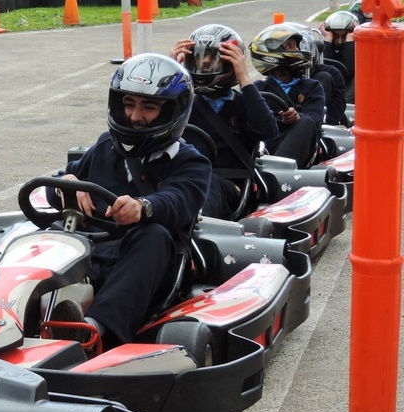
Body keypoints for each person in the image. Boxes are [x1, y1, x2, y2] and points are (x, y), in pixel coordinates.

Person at [46, 53, 210, 348]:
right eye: (129, 104)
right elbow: (57, 187)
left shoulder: (191, 163)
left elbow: (178, 200)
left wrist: (143, 207)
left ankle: (94, 330)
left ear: (173, 111)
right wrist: (66, 185)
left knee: (155, 235)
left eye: (149, 107)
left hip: (142, 262)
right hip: (89, 250)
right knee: (40, 234)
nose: (135, 117)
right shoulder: (104, 147)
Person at [171, 24, 277, 220]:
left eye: (213, 59)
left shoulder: (244, 103)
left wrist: (245, 77)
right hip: (181, 181)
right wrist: (170, 69)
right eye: (199, 59)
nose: (205, 64)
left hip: (228, 186)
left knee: (204, 179)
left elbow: (267, 131)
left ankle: (193, 231)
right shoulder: (182, 103)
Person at [249, 23, 325, 169]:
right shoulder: (258, 88)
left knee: (305, 122)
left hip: (299, 147)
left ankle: (277, 173)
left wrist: (297, 118)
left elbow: (315, 119)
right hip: (264, 148)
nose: (297, 50)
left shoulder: (312, 87)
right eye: (291, 46)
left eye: (296, 46)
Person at [292, 22, 350, 127]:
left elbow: (349, 71)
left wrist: (350, 44)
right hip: (280, 130)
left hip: (315, 125)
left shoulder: (328, 74)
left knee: (325, 77)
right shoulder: (272, 79)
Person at [320, 10, 359, 103]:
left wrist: (350, 41)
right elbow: (325, 68)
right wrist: (328, 40)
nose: (340, 41)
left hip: (349, 94)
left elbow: (347, 71)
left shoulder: (357, 47)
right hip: (331, 92)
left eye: (344, 36)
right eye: (336, 36)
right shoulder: (325, 46)